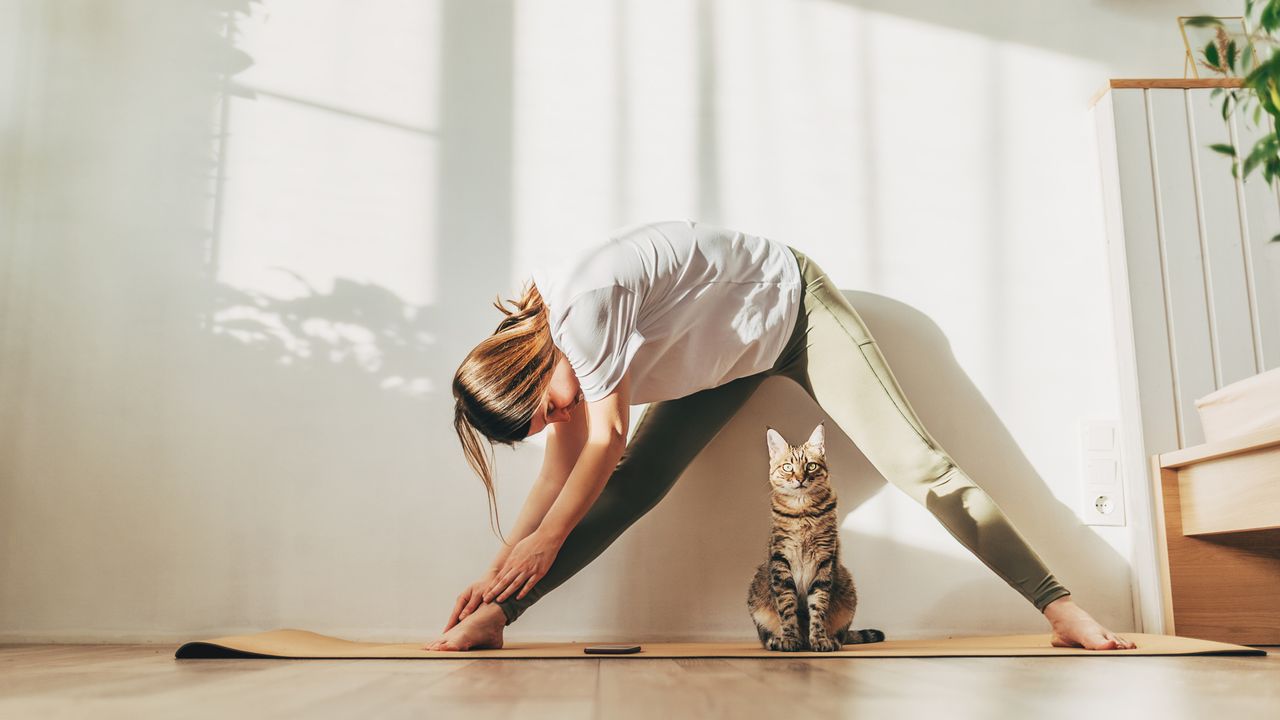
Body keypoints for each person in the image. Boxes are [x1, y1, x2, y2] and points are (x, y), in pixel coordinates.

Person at [426, 220, 1136, 652]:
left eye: (543, 411)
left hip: (793, 310)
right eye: (542, 424)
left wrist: (541, 543)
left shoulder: (582, 309)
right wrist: (498, 578)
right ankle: (495, 621)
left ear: (527, 367)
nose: (555, 421)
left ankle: (1059, 606)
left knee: (918, 466)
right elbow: (560, 476)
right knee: (630, 489)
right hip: (724, 363)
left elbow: (602, 441)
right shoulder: (555, 358)